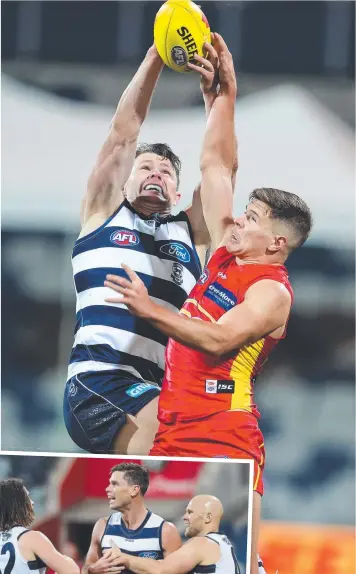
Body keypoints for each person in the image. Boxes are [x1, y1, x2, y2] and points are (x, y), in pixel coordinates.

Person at [104, 34, 313, 574]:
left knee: (235, 563)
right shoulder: (226, 254)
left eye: (253, 219)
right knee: (164, 557)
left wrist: (151, 311)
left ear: (277, 244)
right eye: (244, 213)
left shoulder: (271, 293)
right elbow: (218, 167)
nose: (238, 220)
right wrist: (221, 95)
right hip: (173, 426)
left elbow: (220, 339)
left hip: (225, 435)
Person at [63, 38, 237, 456]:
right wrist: (156, 55)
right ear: (124, 182)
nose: (156, 173)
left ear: (178, 195)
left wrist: (221, 102)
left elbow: (221, 171)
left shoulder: (191, 235)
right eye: (145, 167)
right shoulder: (103, 214)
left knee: (193, 457)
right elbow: (124, 133)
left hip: (157, 386)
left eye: (166, 172)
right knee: (178, 448)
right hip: (99, 383)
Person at [83, 463, 182, 574]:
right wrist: (92, 570)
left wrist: (125, 559)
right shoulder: (102, 526)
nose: (107, 489)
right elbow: (87, 568)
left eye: (115, 484)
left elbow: (175, 571)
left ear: (134, 490)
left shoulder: (165, 531)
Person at [103, 494, 240, 574]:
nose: (184, 517)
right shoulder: (225, 543)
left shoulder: (202, 543)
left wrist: (123, 557)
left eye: (190, 512)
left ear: (207, 518)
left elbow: (161, 570)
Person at [0, 478, 79, 574]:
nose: (32, 502)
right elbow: (72, 572)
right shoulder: (31, 537)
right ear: (17, 504)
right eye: (28, 497)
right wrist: (67, 559)